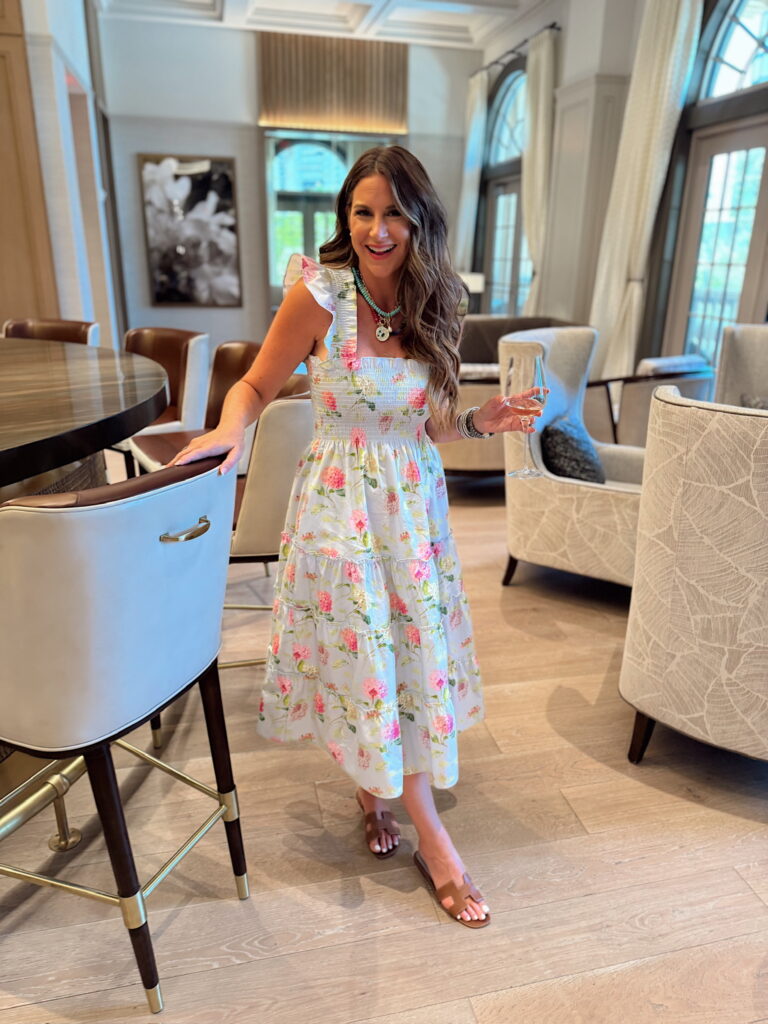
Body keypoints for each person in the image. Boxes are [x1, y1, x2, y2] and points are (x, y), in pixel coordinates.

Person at [171, 145, 543, 928]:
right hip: (340, 507)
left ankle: (376, 793)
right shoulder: (321, 294)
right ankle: (433, 840)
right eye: (363, 212)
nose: (378, 230)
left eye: (393, 214)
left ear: (419, 220)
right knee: (367, 652)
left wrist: (482, 420)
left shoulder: (436, 299)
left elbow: (429, 426)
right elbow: (253, 384)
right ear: (346, 216)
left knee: (405, 652)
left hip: (413, 509)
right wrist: (230, 430)